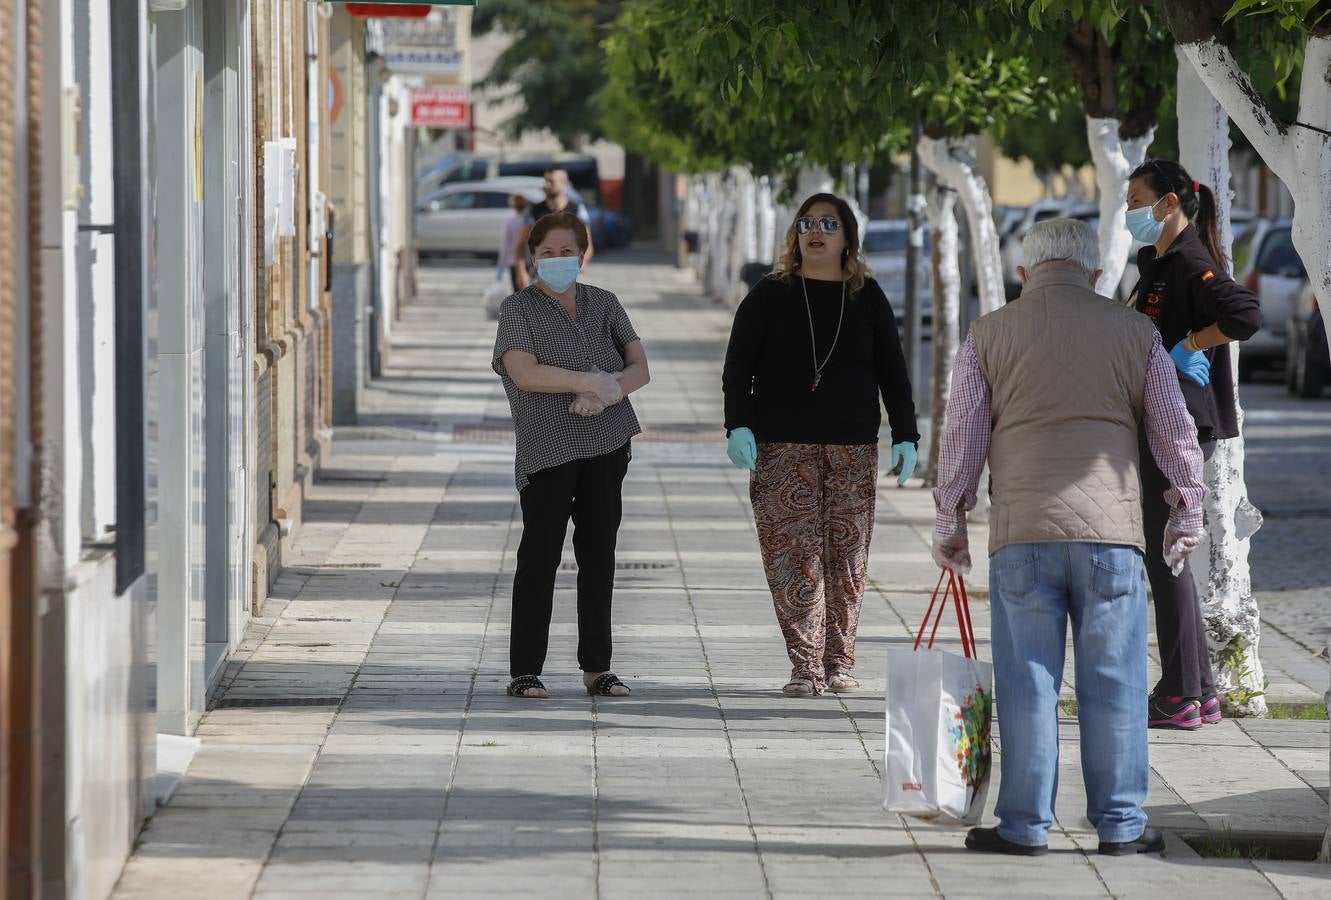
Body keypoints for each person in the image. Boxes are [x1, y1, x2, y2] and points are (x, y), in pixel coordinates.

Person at [933, 218, 1208, 857]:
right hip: (1112, 534)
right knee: (1112, 680)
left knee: (1027, 679)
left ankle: (1025, 826)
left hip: (1022, 532)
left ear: (1025, 273)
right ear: (1093, 274)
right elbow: (1175, 432)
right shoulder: (1136, 331)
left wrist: (952, 522)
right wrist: (1185, 509)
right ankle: (1121, 826)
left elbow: (964, 436)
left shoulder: (988, 334)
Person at [722, 193, 919, 697]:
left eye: (828, 224)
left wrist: (906, 435)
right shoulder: (769, 294)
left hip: (850, 449)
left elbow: (893, 373)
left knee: (847, 560)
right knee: (794, 559)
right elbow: (737, 368)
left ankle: (841, 662)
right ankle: (806, 666)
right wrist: (738, 426)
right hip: (781, 448)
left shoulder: (867, 296)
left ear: (847, 237)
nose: (816, 232)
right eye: (807, 223)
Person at [1125, 159, 1262, 730]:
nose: (1129, 209)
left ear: (1169, 203)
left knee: (1168, 556)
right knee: (1170, 554)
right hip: (1165, 419)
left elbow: (1245, 314)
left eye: (1138, 199)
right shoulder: (1159, 262)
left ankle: (1180, 692)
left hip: (1179, 423)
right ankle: (1200, 689)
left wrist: (1190, 344)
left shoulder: (1190, 262)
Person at [492, 211, 650, 699]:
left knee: (599, 554)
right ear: (532, 258)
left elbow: (639, 367)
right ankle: (525, 669)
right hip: (548, 449)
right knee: (539, 555)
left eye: (567, 252)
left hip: (607, 443)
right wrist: (584, 381)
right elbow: (523, 372)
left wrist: (608, 393)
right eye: (547, 253)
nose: (557, 261)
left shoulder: (605, 304)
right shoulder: (518, 309)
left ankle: (597, 667)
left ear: (581, 256)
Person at [515, 168, 594, 289]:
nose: (546, 185)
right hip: (539, 275)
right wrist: (521, 272)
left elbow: (587, 242)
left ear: (564, 183)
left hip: (569, 275)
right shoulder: (534, 210)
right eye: (545, 181)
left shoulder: (577, 209)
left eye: (551, 181)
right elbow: (520, 244)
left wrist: (582, 264)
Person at [500, 193, 529, 291]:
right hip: (530, 260)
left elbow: (506, 245)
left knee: (517, 292)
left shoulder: (510, 222)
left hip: (514, 261)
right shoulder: (529, 221)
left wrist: (501, 264)